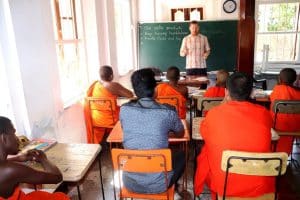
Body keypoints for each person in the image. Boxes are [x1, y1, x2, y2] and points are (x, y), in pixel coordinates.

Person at [194, 72, 274, 198]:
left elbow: (204, 134)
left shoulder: (215, 114)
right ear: (251, 92)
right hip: (259, 181)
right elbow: (269, 126)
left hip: (225, 182)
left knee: (206, 151)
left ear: (226, 92)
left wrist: (222, 103)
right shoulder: (263, 113)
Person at [120, 68, 185, 194]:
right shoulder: (168, 111)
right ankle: (175, 187)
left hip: (130, 182)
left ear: (134, 91)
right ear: (156, 90)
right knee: (181, 154)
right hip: (160, 185)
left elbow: (125, 129)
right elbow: (180, 134)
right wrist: (164, 132)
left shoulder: (124, 109)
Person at [0, 116, 69, 200]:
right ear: (4, 138)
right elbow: (57, 177)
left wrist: (18, 158)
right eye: (14, 133)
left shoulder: (6, 167)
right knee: (60, 197)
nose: (17, 138)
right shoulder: (12, 170)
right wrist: (43, 159)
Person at [84, 65, 134, 143]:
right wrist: (118, 92)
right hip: (111, 119)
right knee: (129, 109)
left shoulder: (95, 85)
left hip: (97, 118)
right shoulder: (113, 85)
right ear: (111, 76)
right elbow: (130, 95)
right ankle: (129, 138)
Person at [270, 68, 300, 155]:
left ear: (279, 78)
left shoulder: (278, 89)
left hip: (277, 126)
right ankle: (286, 155)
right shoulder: (298, 93)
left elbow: (271, 98)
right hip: (295, 127)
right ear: (295, 79)